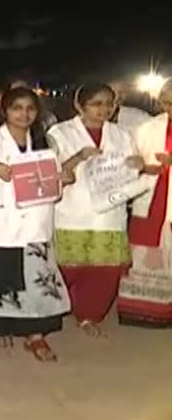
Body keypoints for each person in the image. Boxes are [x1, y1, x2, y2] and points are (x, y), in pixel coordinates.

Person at [0, 87, 71, 362]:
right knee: (0, 278)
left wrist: (62, 179)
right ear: (5, 110)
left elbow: (53, 185)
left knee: (36, 280)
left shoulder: (45, 143)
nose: (24, 114)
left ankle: (35, 336)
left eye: (30, 108)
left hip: (34, 220)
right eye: (17, 108)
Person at [47, 84, 142, 337]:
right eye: (96, 104)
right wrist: (78, 157)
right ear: (80, 106)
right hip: (72, 209)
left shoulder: (122, 134)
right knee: (68, 265)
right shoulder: (60, 132)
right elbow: (52, 171)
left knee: (104, 270)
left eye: (109, 104)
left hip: (109, 211)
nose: (104, 110)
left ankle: (89, 314)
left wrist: (137, 163)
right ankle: (59, 307)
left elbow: (129, 167)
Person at [118, 79, 172, 327]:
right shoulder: (148, 127)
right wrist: (139, 166)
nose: (170, 108)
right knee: (146, 254)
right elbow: (132, 159)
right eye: (167, 103)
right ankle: (144, 310)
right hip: (150, 198)